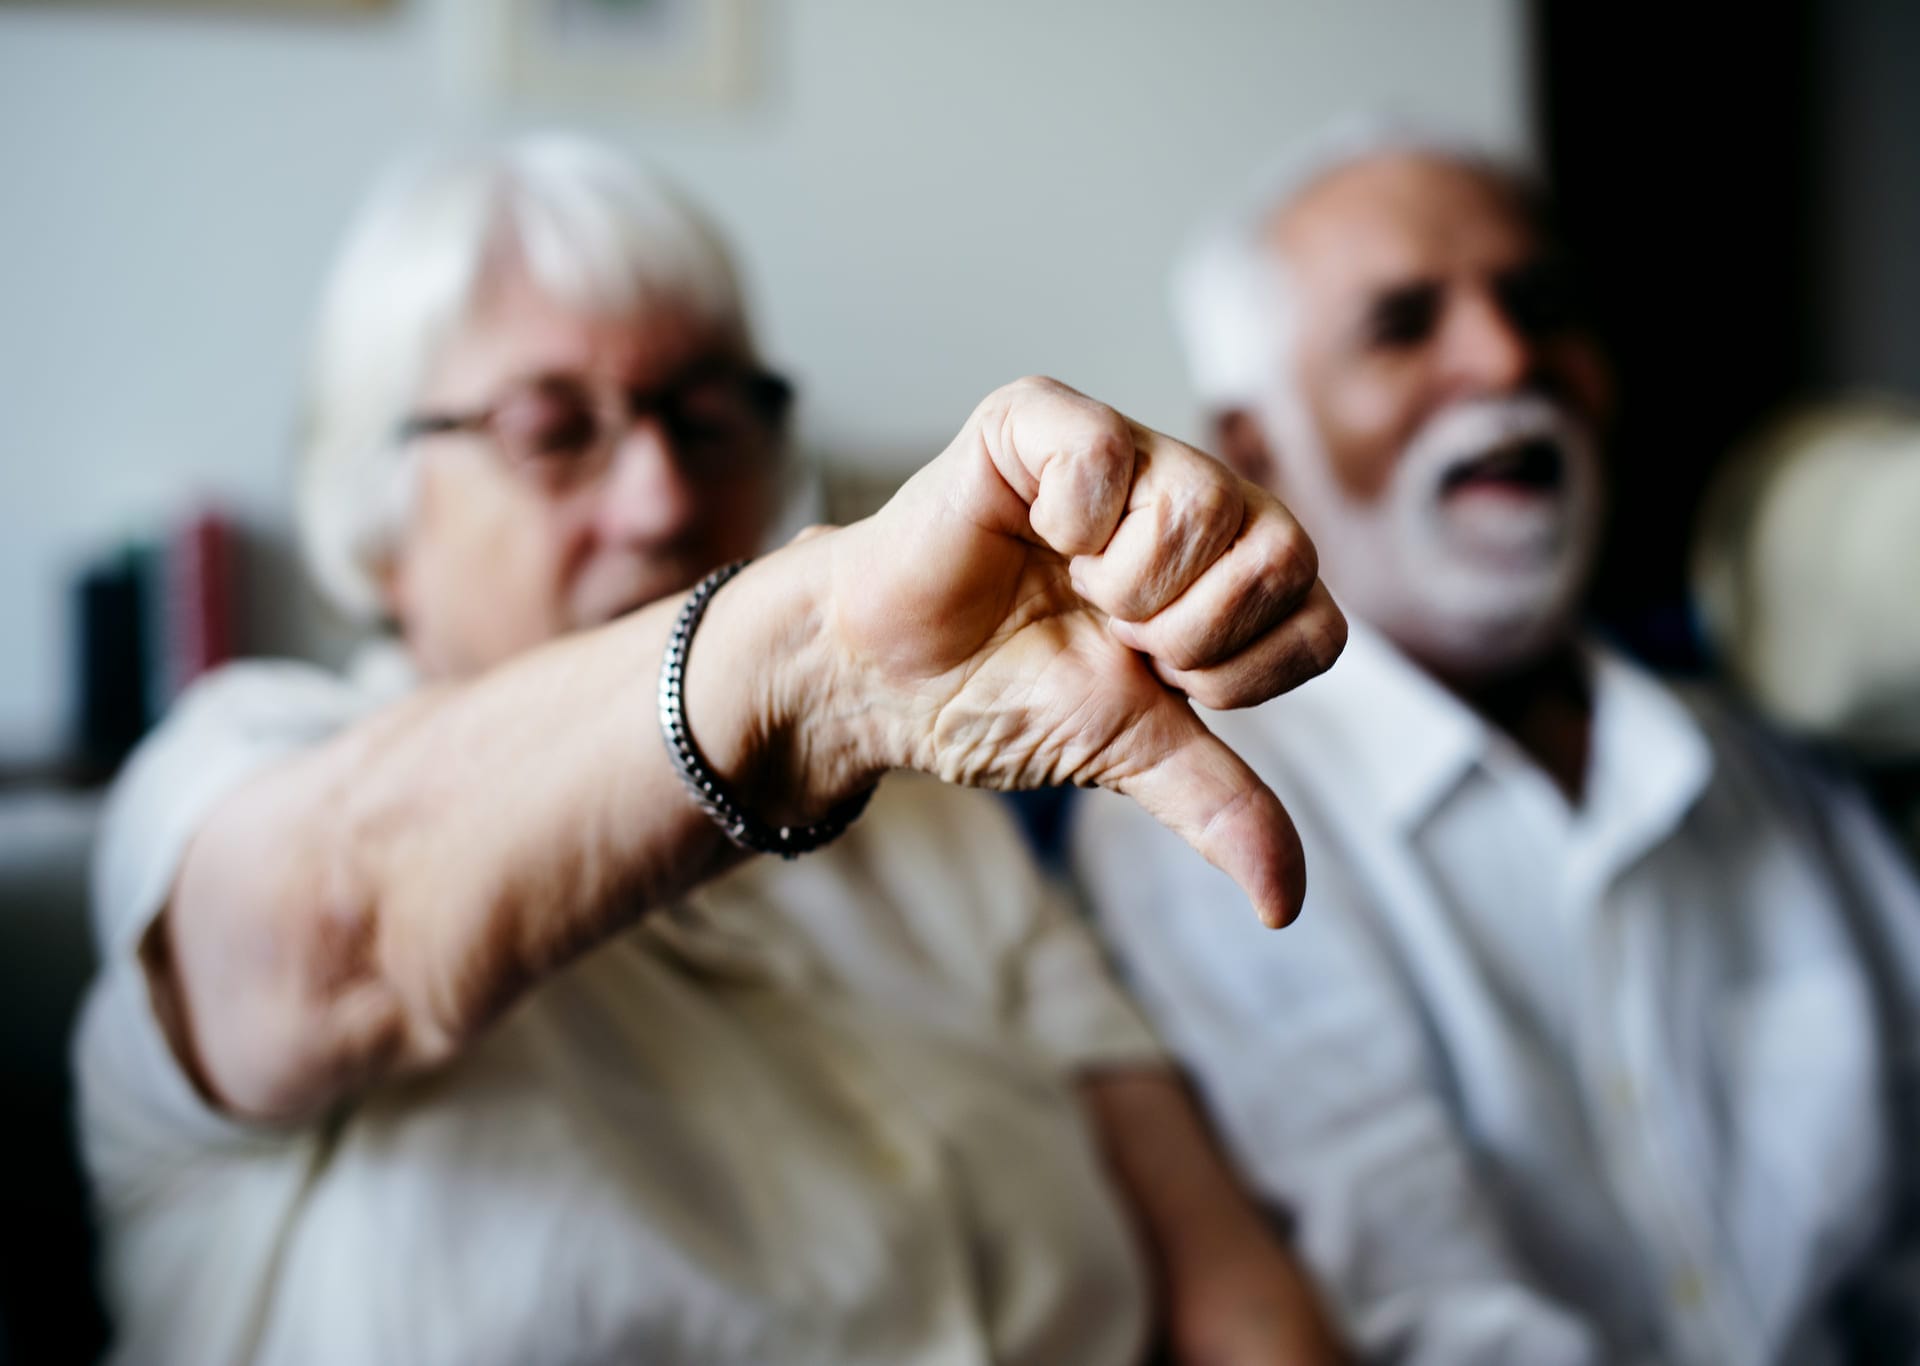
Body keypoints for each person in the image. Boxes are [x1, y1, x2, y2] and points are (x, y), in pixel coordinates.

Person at [73, 135, 1352, 1365]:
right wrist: (808, 657)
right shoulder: (243, 761)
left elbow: (1229, 1284)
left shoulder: (933, 829)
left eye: (710, 416)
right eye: (553, 430)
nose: (663, 498)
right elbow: (336, 940)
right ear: (379, 517)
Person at [1071, 120, 1920, 1365]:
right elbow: (1430, 1312)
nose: (1509, 357)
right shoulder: (1209, 814)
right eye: (1403, 325)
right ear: (1254, 446)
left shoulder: (1767, 767)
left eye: (1541, 307)